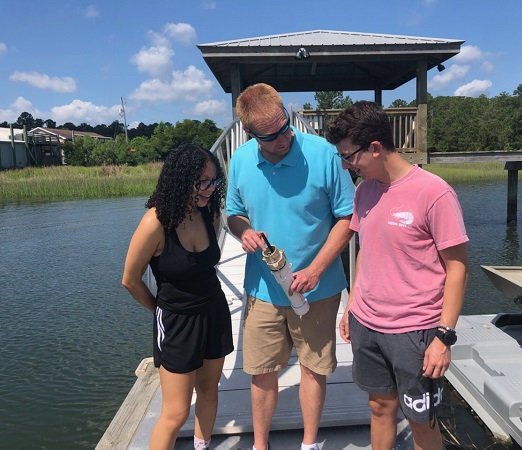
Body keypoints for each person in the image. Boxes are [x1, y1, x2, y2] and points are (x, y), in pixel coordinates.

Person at [326, 101, 469, 450]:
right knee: (379, 407)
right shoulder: (364, 191)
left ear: (375, 148)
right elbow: (365, 252)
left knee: (422, 423)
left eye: (350, 156)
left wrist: (443, 337)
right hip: (367, 324)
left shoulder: (434, 193)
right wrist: (352, 306)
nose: (346, 165)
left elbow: (458, 268)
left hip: (416, 332)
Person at [226, 83, 356, 450]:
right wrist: (244, 231)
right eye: (271, 137)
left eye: (285, 128)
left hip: (319, 287)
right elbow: (233, 213)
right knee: (261, 372)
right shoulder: (240, 160)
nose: (283, 139)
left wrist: (316, 269)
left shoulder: (324, 155)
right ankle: (260, 445)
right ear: (250, 133)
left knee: (314, 367)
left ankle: (309, 444)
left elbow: (347, 217)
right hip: (262, 289)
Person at [122, 143, 234, 450]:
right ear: (181, 180)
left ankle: (201, 446)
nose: (211, 189)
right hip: (177, 321)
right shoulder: (155, 223)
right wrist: (159, 310)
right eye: (204, 182)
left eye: (214, 181)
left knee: (210, 390)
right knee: (175, 412)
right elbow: (130, 280)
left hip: (214, 310)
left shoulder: (208, 212)